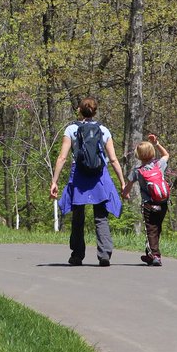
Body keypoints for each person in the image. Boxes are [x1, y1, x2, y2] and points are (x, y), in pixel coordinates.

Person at [49, 97, 126, 266]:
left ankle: (77, 255)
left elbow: (62, 157)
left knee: (78, 215)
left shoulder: (71, 129)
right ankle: (104, 253)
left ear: (79, 110)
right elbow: (113, 159)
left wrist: (54, 181)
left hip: (79, 174)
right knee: (101, 216)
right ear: (95, 111)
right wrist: (122, 183)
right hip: (99, 175)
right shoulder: (104, 130)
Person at [121, 135, 171, 266]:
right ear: (152, 152)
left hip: (149, 204)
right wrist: (157, 143)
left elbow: (127, 188)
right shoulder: (159, 165)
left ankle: (155, 256)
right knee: (157, 228)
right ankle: (151, 255)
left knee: (151, 229)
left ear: (138, 155)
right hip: (163, 202)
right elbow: (166, 154)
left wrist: (125, 194)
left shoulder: (138, 171)